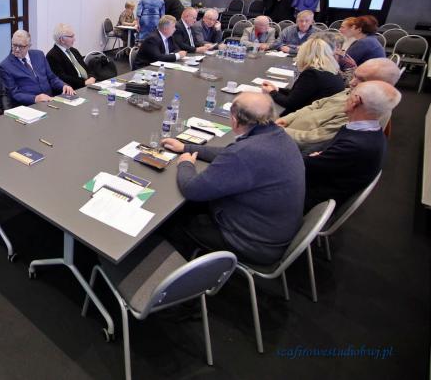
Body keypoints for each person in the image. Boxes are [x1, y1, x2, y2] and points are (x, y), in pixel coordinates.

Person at [161, 93, 305, 265]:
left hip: (251, 243)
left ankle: (186, 270)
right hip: (273, 230)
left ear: (235, 121)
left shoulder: (245, 153)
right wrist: (186, 147)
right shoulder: (277, 136)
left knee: (169, 221)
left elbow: (192, 189)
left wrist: (185, 163)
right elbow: (229, 152)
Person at [303, 81, 401, 211]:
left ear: (355, 101)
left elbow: (304, 166)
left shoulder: (355, 146)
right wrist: (319, 157)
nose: (347, 96)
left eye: (350, 93)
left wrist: (316, 158)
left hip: (306, 198)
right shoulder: (367, 132)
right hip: (321, 183)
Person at [277, 58, 400, 152]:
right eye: (355, 76)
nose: (351, 82)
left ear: (382, 86)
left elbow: (312, 141)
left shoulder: (361, 111)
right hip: (286, 130)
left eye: (362, 80)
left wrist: (278, 131)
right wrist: (287, 119)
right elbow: (317, 104)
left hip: (292, 145)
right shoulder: (353, 92)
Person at [261, 37, 345, 116]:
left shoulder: (312, 74)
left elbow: (290, 103)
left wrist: (272, 92)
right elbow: (300, 93)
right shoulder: (331, 69)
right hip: (324, 113)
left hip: (307, 116)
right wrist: (277, 89)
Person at [0, 30, 75, 106]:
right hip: (29, 105)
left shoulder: (39, 55)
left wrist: (63, 85)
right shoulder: (5, 66)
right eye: (14, 45)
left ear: (29, 46)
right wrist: (35, 98)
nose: (17, 49)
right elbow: (14, 93)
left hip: (50, 100)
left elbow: (52, 78)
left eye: (21, 46)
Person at [46, 23, 96, 89]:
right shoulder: (52, 56)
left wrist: (92, 77)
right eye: (71, 37)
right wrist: (84, 83)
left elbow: (85, 68)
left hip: (88, 84)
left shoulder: (74, 51)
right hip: (74, 88)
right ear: (62, 40)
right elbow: (62, 78)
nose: (74, 39)